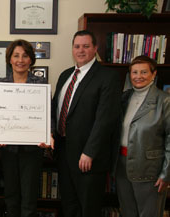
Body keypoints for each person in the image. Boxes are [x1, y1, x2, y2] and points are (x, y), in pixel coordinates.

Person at [51, 30, 122, 217]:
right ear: (72, 49)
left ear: (95, 48)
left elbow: (105, 119)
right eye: (77, 46)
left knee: (89, 208)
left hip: (88, 157)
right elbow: (55, 109)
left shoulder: (108, 77)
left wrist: (90, 152)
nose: (80, 50)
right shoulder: (65, 75)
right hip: (64, 151)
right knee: (69, 205)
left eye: (86, 46)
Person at [0, 39, 53, 217]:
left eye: (25, 56)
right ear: (10, 59)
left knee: (29, 199)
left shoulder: (41, 84)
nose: (20, 60)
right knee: (11, 197)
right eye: (16, 55)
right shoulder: (1, 85)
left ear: (31, 60)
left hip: (32, 150)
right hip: (8, 151)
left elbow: (47, 115)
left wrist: (48, 134)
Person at [116, 55, 170, 217]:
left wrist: (166, 173)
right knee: (127, 212)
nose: (138, 76)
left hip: (150, 169)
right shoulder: (124, 98)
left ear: (154, 74)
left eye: (144, 72)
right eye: (134, 72)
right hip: (122, 167)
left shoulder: (164, 100)